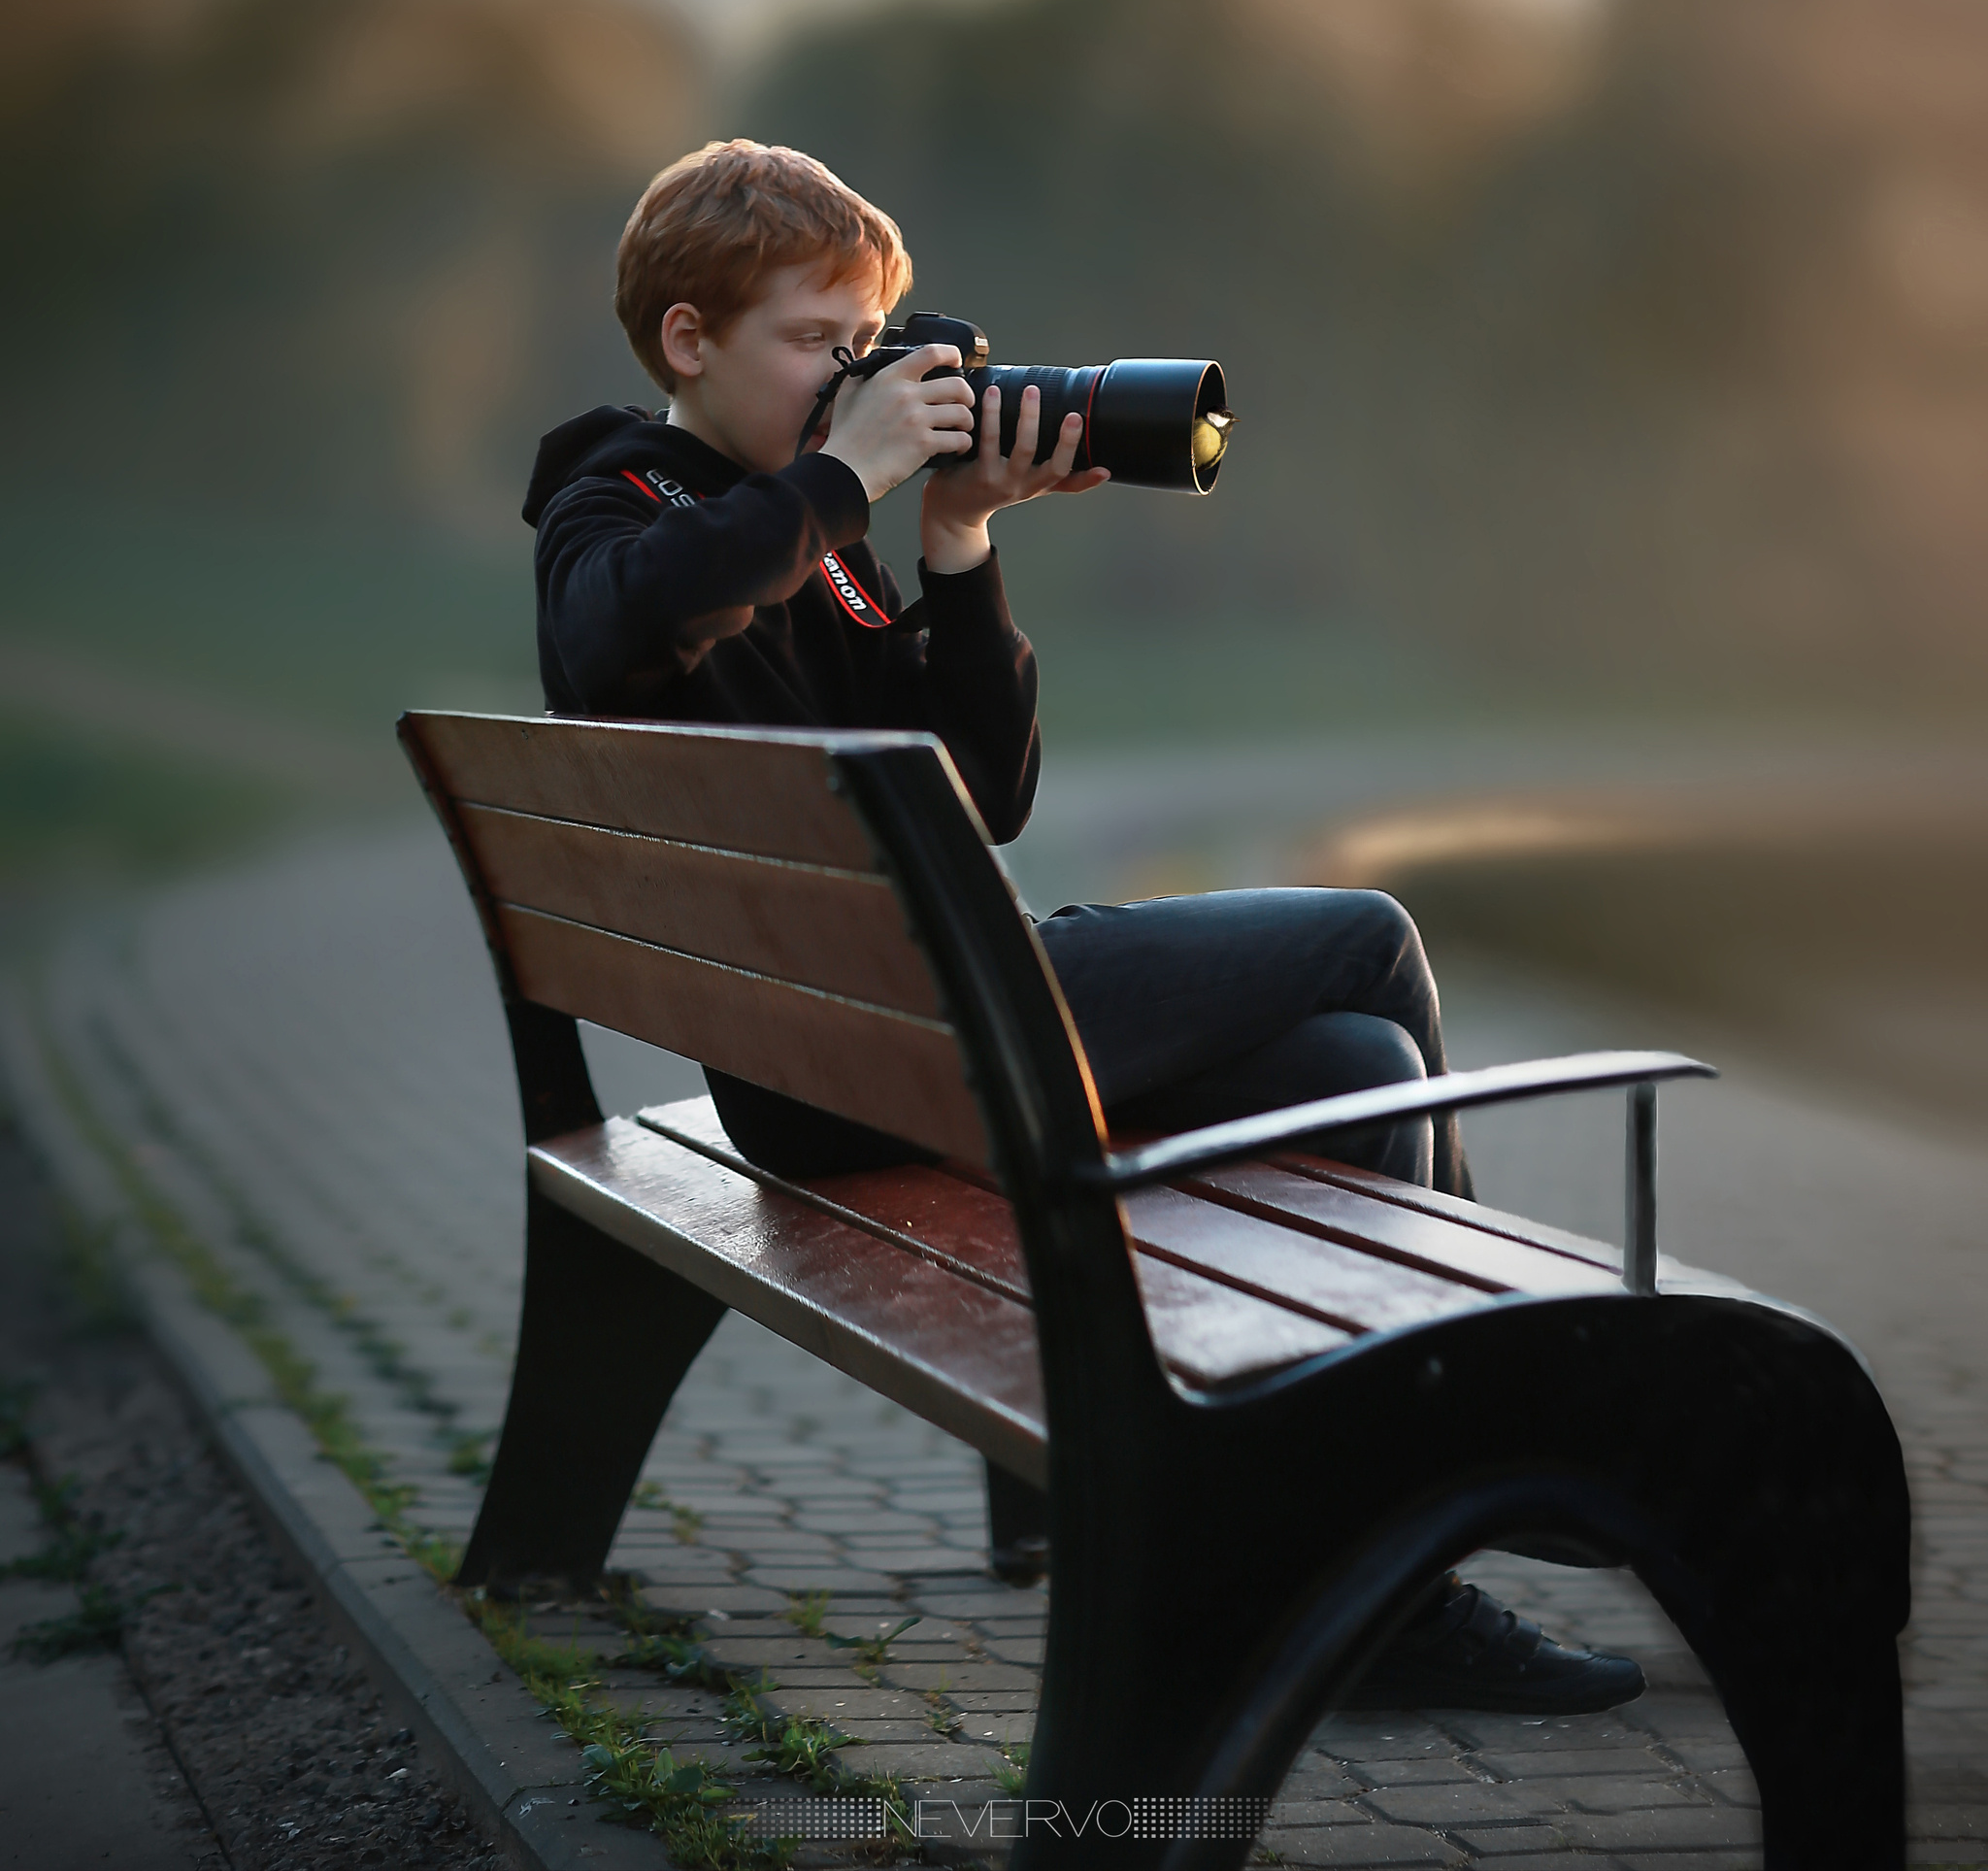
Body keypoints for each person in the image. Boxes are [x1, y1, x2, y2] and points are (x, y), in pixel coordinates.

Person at [526, 137, 1642, 1713]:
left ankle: (1370, 1576)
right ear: (688, 341)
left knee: (1348, 1055)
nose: (853, 384)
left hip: (904, 1029)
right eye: (814, 347)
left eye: (866, 350)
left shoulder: (814, 547)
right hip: (873, 1044)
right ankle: (1504, 1437)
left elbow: (984, 792)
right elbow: (619, 624)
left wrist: (958, 541)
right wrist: (845, 474)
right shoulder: (618, 499)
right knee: (1364, 932)